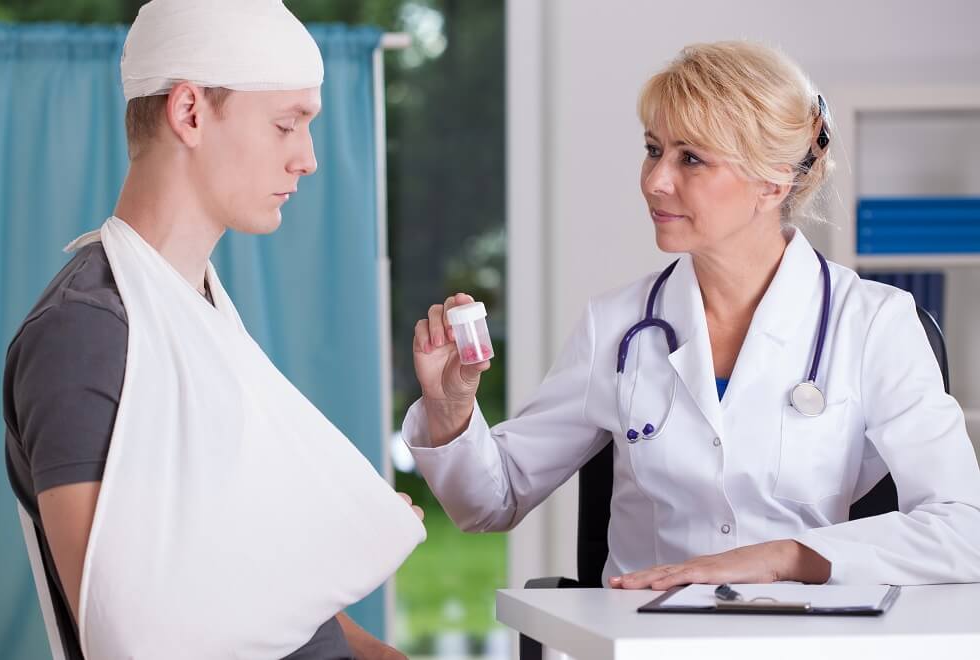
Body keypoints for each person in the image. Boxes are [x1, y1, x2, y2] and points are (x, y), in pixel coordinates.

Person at [402, 41, 980, 589]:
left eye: (692, 159)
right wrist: (450, 407)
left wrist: (785, 557)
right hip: (645, 633)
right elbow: (488, 503)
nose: (655, 180)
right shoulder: (618, 325)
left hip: (801, 634)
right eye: (654, 149)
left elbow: (964, 528)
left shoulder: (875, 323)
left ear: (773, 182)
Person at [3, 1, 424, 658]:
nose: (308, 159)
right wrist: (343, 551)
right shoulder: (87, 335)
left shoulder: (199, 317)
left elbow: (301, 619)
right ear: (190, 113)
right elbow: (129, 635)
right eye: (287, 124)